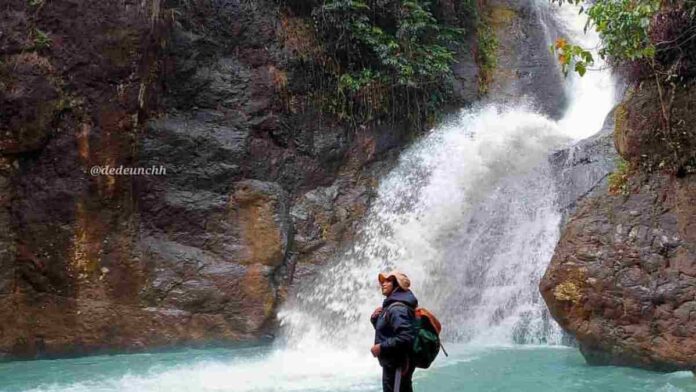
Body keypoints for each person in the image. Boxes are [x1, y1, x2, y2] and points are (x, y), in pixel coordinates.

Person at [370, 270, 418, 392]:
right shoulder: (392, 306)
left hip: (398, 366)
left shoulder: (397, 308)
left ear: (397, 285)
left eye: (388, 281)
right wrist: (375, 319)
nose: (383, 284)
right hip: (394, 365)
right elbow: (388, 332)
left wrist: (381, 347)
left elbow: (406, 337)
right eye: (382, 281)